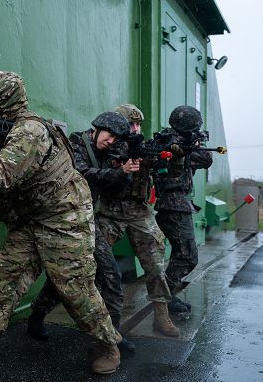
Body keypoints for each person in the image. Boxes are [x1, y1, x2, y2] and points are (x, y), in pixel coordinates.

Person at [0, 71, 122, 376]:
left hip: (64, 221)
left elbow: (2, 176)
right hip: (30, 220)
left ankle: (109, 345)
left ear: (4, 99)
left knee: (76, 290)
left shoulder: (30, 131)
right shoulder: (3, 126)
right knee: (3, 281)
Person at [29, 108, 180, 347]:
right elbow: (87, 173)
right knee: (74, 266)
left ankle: (121, 332)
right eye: (131, 125)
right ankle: (39, 312)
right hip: (103, 212)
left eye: (138, 125)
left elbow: (144, 171)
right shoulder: (89, 144)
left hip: (135, 211)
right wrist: (120, 168)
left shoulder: (120, 143)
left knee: (140, 266)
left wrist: (155, 158)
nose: (135, 130)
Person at [154, 105, 213, 314]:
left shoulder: (180, 142)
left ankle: (166, 297)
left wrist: (194, 142)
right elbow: (206, 159)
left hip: (175, 204)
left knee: (182, 253)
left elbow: (204, 160)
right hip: (174, 204)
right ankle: (164, 300)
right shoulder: (172, 143)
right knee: (187, 255)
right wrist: (194, 144)